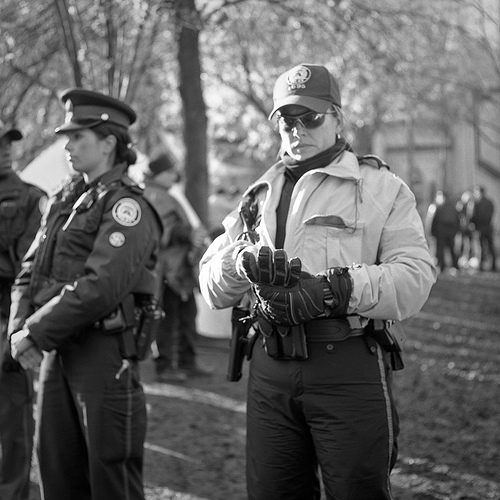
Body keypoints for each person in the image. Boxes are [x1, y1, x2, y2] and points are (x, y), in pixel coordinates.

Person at [199, 63, 437, 500]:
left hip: (347, 366)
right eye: (286, 120)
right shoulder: (257, 195)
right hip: (270, 369)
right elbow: (212, 288)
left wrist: (336, 290)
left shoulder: (382, 187)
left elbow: (416, 277)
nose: (297, 130)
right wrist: (240, 261)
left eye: (310, 118)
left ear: (337, 118)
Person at [8, 89, 162, 500]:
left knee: (110, 481)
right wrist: (18, 330)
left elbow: (100, 287)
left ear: (109, 142)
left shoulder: (127, 206)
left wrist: (36, 332)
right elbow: (29, 269)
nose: (68, 146)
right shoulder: (64, 199)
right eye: (67, 137)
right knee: (57, 475)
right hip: (57, 352)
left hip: (103, 355)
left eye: (79, 138)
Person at [0, 120, 46, 500]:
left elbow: (26, 268)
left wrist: (17, 327)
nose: (5, 150)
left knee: (13, 415)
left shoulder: (31, 198)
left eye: (8, 143)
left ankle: (12, 492)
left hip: (5, 315)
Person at [144, 153, 211, 382]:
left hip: (178, 269)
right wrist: (187, 234)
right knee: (168, 320)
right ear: (159, 174)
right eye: (170, 171)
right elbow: (158, 232)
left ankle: (186, 362)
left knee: (186, 316)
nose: (174, 175)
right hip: (165, 271)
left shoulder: (163, 194)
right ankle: (165, 366)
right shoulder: (154, 195)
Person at [430, 190, 460, 274]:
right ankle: (455, 265)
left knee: (440, 250)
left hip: (441, 232)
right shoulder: (453, 207)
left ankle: (441, 266)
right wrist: (455, 231)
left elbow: (434, 221)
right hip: (450, 233)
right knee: (452, 249)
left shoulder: (439, 208)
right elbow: (457, 221)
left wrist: (432, 232)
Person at [471, 185, 497, 271]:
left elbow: (477, 216)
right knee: (489, 246)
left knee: (482, 246)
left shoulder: (478, 203)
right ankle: (493, 265)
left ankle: (483, 264)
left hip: (482, 227)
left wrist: (474, 223)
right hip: (487, 227)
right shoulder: (489, 202)